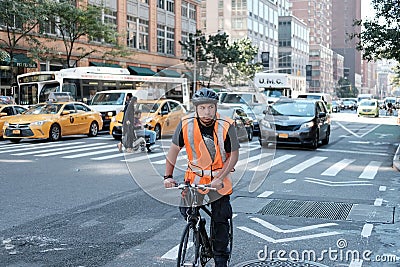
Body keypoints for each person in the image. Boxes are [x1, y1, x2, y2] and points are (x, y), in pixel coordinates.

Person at [163, 88, 240, 267]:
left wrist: (220, 177)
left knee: (221, 217)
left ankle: (220, 257)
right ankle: (199, 227)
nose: (207, 112)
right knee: (186, 212)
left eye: (211, 107)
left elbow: (233, 156)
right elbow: (173, 150)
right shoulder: (185, 124)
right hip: (194, 179)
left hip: (218, 181)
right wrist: (168, 176)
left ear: (216, 107)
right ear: (196, 109)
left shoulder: (227, 125)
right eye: (203, 108)